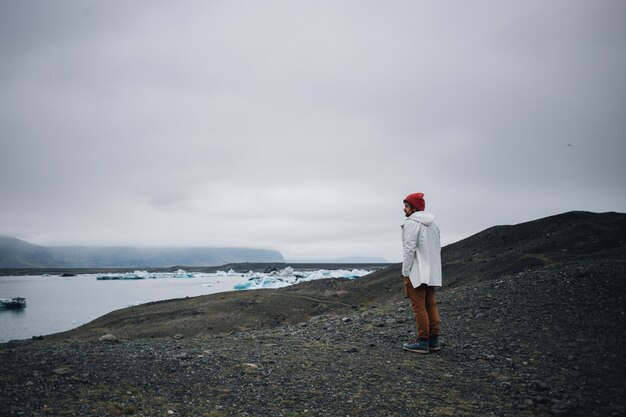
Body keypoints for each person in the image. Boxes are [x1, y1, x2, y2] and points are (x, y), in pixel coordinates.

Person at [401, 192, 442, 353]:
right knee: (431, 304)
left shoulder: (412, 223)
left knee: (419, 307)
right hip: (432, 271)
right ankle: (434, 340)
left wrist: (406, 272)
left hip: (417, 271)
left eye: (406, 206)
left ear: (413, 208)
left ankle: (422, 341)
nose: (404, 209)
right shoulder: (433, 224)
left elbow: (409, 248)